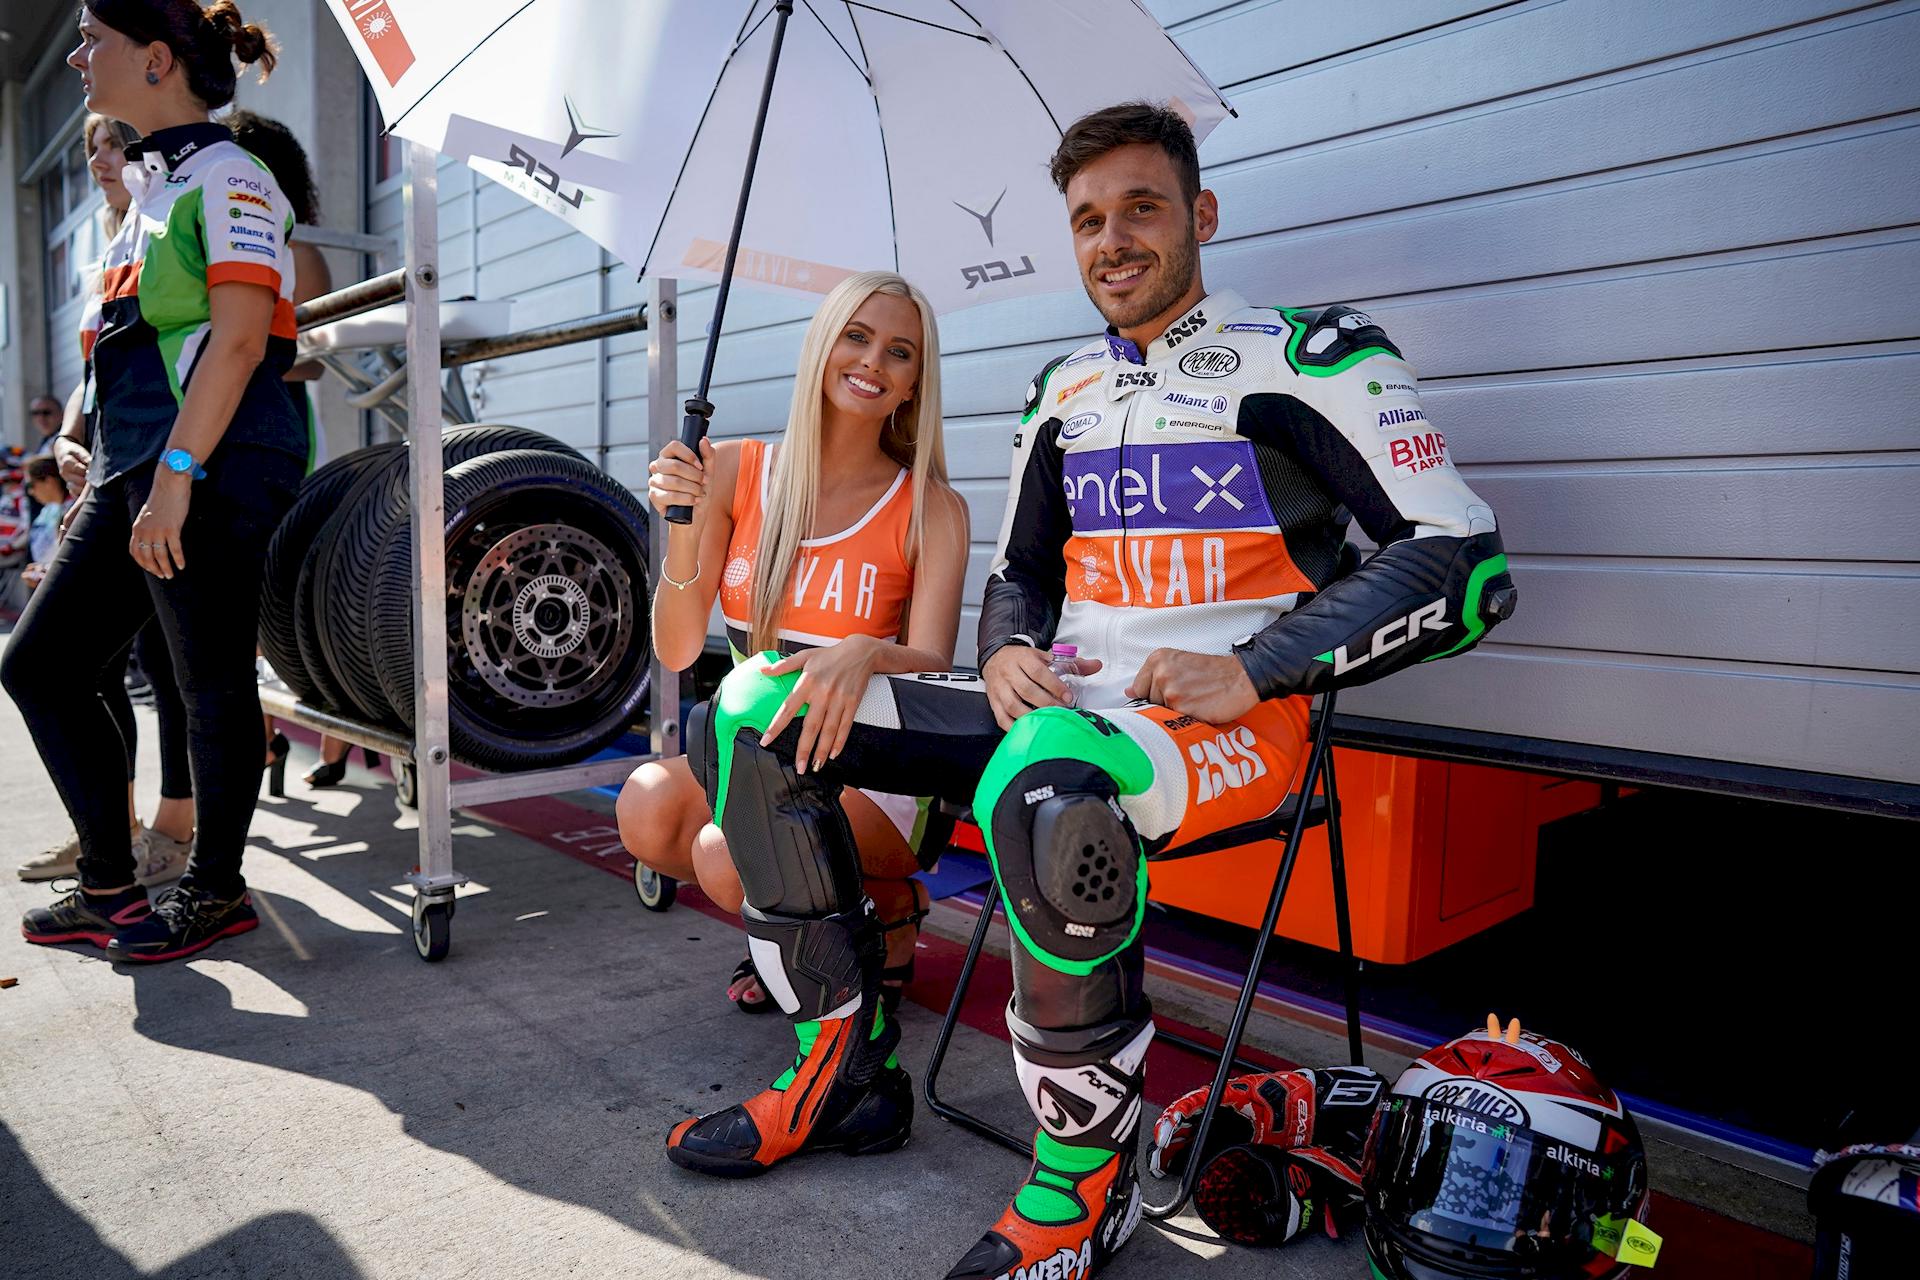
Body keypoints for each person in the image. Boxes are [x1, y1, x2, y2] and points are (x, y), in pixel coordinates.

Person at [665, 103, 1517, 1280]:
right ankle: (846, 1066)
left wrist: (1258, 665)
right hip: (1056, 709)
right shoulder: (1059, 391)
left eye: (1140, 208)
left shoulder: (1307, 358)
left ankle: (1084, 1182)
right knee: (753, 703)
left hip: (1227, 730)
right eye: (1087, 219)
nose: (1112, 240)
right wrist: (1008, 646)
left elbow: (1461, 561)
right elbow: (1021, 574)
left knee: (1049, 786)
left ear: (1200, 216)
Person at [6, 0, 302, 962]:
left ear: (159, 59)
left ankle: (217, 888)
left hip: (208, 463)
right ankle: (108, 886)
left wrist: (176, 475)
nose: (82, 56)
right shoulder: (152, 189)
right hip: (137, 466)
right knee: (40, 665)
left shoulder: (230, 174)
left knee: (207, 680)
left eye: (96, 40)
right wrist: (88, 442)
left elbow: (243, 338)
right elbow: (132, 348)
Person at [618, 269, 969, 1015]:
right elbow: (678, 651)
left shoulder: (932, 507)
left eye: (899, 353)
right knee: (648, 807)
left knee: (727, 855)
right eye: (857, 337)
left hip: (878, 768)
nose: (873, 362)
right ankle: (820, 920)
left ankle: (868, 923)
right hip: (760, 750)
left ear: (913, 384)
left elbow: (937, 666)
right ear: (822, 347)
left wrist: (866, 650)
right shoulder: (736, 471)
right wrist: (679, 526)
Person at [16, 110, 194, 890]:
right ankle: (111, 834)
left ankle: (177, 836)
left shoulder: (180, 212)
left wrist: (175, 468)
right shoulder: (111, 246)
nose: (97, 159)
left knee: (173, 661)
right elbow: (97, 375)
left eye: (111, 143)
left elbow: (234, 348)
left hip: (164, 477)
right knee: (94, 666)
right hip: (110, 478)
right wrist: (68, 441)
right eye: (88, 147)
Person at [223, 108, 371, 789]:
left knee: (283, 585)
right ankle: (269, 740)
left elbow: (312, 361)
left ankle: (331, 742)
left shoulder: (297, 249)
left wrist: (235, 359)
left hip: (270, 421)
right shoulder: (219, 233)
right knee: (236, 602)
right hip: (214, 422)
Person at [25, 396, 65, 463]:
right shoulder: (48, 438)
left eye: (46, 412)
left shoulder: (65, 439)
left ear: (62, 414)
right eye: (35, 413)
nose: (40, 418)